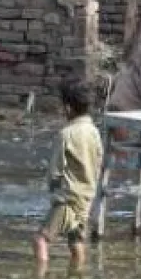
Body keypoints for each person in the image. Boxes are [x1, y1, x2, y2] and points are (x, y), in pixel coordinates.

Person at [34, 79, 102, 269]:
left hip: (68, 199)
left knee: (41, 239)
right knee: (76, 241)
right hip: (86, 197)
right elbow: (98, 161)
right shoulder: (94, 131)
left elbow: (54, 171)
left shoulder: (66, 134)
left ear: (68, 108)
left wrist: (53, 192)